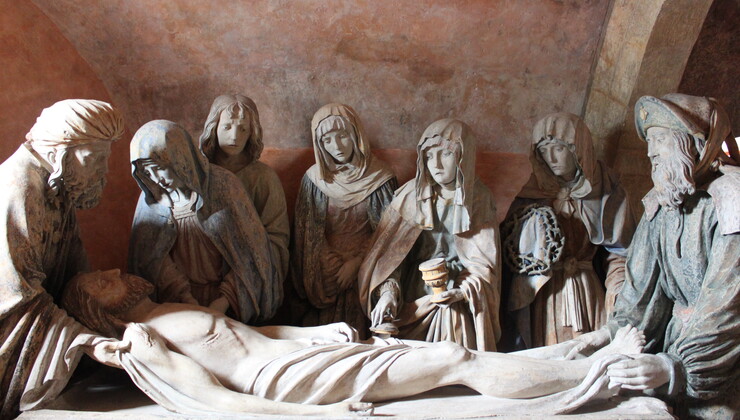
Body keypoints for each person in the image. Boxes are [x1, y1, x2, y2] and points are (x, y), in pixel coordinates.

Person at [61, 269, 647, 416]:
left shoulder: (167, 307)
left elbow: (253, 334)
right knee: (452, 360)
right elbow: (215, 401)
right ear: (98, 307)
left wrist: (314, 332)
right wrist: (320, 416)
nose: (113, 272)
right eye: (100, 282)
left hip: (304, 357)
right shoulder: (141, 340)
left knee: (437, 356)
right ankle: (602, 375)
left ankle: (579, 352)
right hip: (289, 385)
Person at [563, 94, 740, 419]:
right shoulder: (661, 203)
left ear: (691, 144)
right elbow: (642, 291)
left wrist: (674, 368)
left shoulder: (732, 199)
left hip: (723, 362)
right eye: (649, 142)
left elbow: (726, 308)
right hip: (675, 348)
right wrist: (610, 333)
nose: (650, 152)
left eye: (660, 140)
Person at [0, 99, 124, 418]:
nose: (104, 170)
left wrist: (107, 315)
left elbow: (75, 272)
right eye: (95, 158)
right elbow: (18, 299)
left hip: (48, 320)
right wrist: (86, 341)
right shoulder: (19, 189)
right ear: (60, 154)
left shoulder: (56, 183)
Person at [359, 118, 501, 350]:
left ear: (463, 157)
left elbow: (484, 266)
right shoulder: (409, 197)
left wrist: (462, 292)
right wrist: (388, 292)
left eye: (446, 154)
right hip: (412, 295)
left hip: (457, 290)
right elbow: (389, 260)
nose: (436, 164)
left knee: (452, 320)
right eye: (429, 156)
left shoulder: (479, 199)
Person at [502, 112, 636, 349]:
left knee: (591, 351)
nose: (551, 158)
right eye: (544, 150)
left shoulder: (606, 191)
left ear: (578, 149)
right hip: (545, 293)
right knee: (548, 352)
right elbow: (511, 248)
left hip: (587, 290)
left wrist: (617, 294)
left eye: (559, 149)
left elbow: (622, 252)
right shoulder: (532, 193)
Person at [128, 120, 280, 324]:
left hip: (228, 303)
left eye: (159, 168)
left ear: (179, 158)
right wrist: (185, 298)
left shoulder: (223, 186)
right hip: (178, 305)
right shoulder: (151, 202)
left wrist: (224, 300)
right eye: (147, 173)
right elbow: (154, 261)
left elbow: (249, 253)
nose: (156, 179)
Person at [291, 103, 397, 333]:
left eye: (342, 136)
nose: (336, 146)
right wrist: (332, 266)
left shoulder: (380, 178)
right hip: (326, 276)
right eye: (327, 140)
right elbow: (308, 235)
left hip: (368, 270)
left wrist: (357, 264)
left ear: (356, 134)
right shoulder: (314, 180)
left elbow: (387, 233)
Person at [198, 94, 290, 285]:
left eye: (243, 129)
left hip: (247, 270)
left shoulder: (264, 178)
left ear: (252, 133)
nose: (234, 136)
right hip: (202, 267)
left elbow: (276, 238)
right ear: (213, 128)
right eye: (227, 127)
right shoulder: (198, 174)